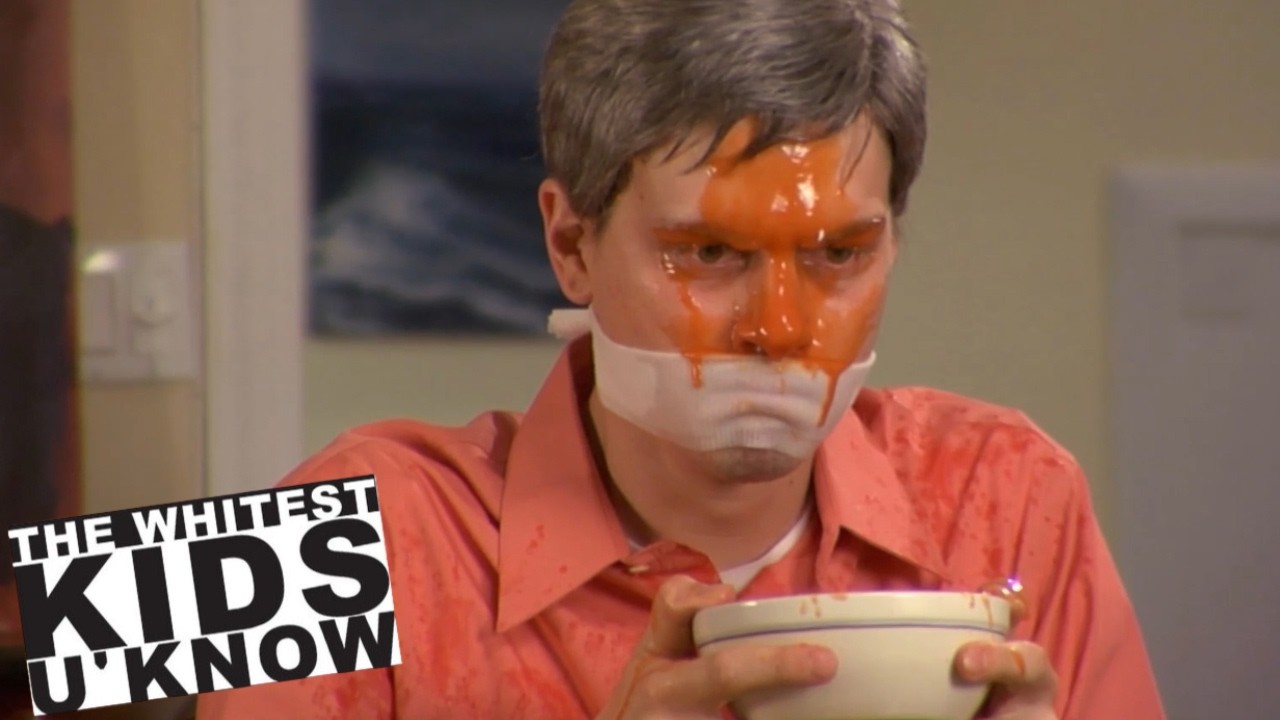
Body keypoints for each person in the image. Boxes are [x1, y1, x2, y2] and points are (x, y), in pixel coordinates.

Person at [198, 0, 1165, 717]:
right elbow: (91, 629)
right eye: (708, 253)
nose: (780, 327)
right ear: (570, 244)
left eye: (839, 254)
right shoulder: (343, 525)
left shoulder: (1010, 495)